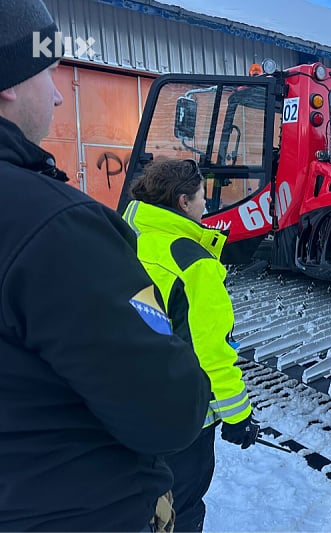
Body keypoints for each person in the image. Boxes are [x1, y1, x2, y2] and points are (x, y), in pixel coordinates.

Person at [0, 0, 212, 530]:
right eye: (47, 71)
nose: (55, 91)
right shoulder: (55, 228)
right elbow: (166, 411)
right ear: (6, 82)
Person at [123, 158, 260, 531]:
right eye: (202, 197)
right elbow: (212, 350)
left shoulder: (128, 238)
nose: (206, 205)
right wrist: (238, 415)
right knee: (181, 506)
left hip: (125, 401)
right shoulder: (195, 263)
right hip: (182, 416)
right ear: (183, 202)